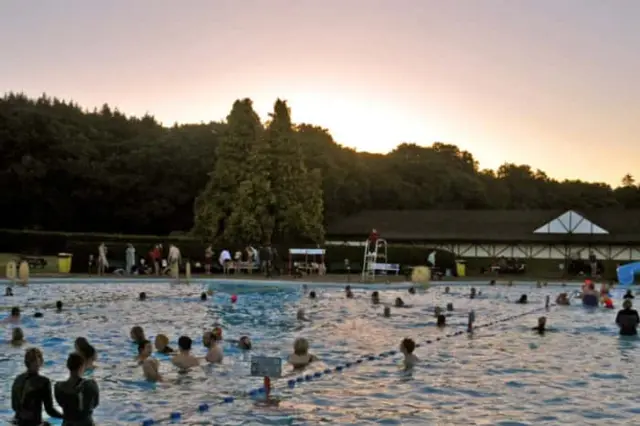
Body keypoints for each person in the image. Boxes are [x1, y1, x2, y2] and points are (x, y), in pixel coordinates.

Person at [11, 348, 63, 426]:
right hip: (34, 423)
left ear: (26, 362)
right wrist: (66, 417)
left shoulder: (18, 379)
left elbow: (14, 406)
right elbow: (50, 410)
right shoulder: (43, 382)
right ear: (41, 362)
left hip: (17, 422)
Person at [55, 352, 100, 426]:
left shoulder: (58, 387)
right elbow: (95, 404)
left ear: (68, 366)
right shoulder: (91, 384)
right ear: (82, 366)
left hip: (68, 423)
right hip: (86, 423)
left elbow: (60, 403)